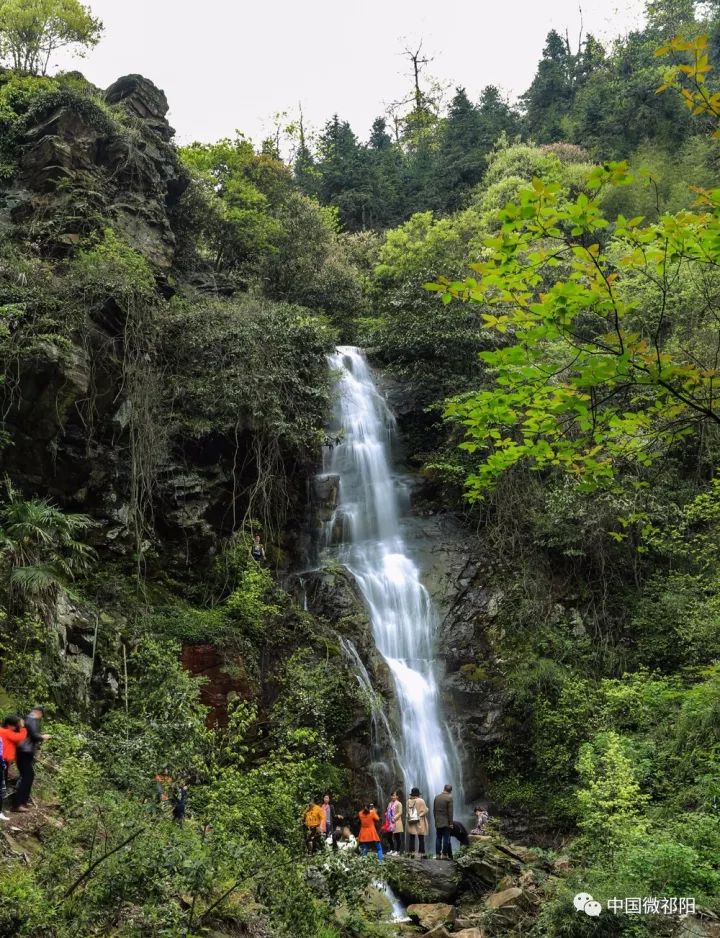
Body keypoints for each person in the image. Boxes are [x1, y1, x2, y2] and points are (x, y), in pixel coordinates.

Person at [12, 707, 50, 813]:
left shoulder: (26, 719)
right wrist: (43, 737)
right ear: (39, 713)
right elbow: (34, 735)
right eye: (41, 716)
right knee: (27, 777)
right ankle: (18, 804)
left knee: (28, 776)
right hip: (24, 752)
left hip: (22, 751)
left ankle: (22, 802)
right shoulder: (32, 719)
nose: (40, 718)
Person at [406, 787, 429, 858]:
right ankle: (421, 852)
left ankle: (411, 852)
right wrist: (425, 811)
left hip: (411, 821)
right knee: (421, 837)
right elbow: (424, 810)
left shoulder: (408, 801)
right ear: (418, 794)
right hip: (419, 821)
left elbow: (407, 811)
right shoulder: (421, 801)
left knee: (412, 837)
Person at [433, 784, 454, 860]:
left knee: (438, 838)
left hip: (438, 821)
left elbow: (434, 810)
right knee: (446, 838)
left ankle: (437, 855)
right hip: (446, 822)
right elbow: (450, 812)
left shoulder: (437, 797)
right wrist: (451, 823)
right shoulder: (449, 798)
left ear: (444, 788)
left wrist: (436, 820)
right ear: (450, 791)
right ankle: (444, 855)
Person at [384, 791, 404, 855]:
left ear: (397, 796)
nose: (393, 797)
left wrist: (394, 818)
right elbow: (388, 810)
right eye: (392, 796)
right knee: (389, 837)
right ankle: (392, 849)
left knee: (397, 837)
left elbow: (400, 812)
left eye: (394, 796)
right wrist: (386, 814)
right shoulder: (390, 803)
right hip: (390, 822)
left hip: (396, 822)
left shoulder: (399, 803)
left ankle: (397, 851)